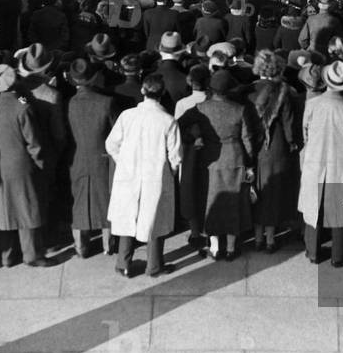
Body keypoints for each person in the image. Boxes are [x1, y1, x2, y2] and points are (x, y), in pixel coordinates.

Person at [107, 73, 182, 277]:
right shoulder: (167, 120)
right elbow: (175, 156)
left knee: (127, 217)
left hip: (128, 173)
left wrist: (122, 161)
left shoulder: (127, 116)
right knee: (155, 220)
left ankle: (123, 263)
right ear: (162, 93)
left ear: (143, 91)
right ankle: (154, 265)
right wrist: (170, 173)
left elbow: (111, 144)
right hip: (155, 176)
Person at [180, 70, 256, 260]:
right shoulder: (239, 109)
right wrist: (250, 163)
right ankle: (231, 248)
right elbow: (247, 140)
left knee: (210, 203)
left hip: (209, 159)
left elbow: (178, 125)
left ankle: (215, 247)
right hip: (234, 157)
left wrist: (194, 137)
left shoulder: (200, 108)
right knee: (233, 203)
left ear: (210, 89)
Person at [298, 61, 343, 266]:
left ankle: (313, 252)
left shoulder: (312, 104)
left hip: (314, 163)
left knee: (313, 209)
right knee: (341, 212)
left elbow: (305, 134)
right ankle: (339, 256)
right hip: (342, 165)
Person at [0, 66, 53, 268]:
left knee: (5, 209)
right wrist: (40, 162)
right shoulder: (22, 104)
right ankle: (32, 255)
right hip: (21, 164)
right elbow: (33, 142)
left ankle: (7, 255)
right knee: (27, 209)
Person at [247, 51, 299, 252]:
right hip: (276, 146)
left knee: (255, 189)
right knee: (273, 192)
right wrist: (292, 143)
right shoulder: (285, 91)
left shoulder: (249, 90)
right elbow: (288, 124)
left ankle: (257, 236)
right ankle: (269, 238)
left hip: (254, 145)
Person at [67, 59, 115, 258]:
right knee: (105, 200)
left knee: (79, 200)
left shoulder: (70, 102)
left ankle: (81, 246)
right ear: (94, 77)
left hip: (78, 157)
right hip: (102, 157)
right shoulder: (106, 102)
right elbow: (115, 133)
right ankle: (108, 245)